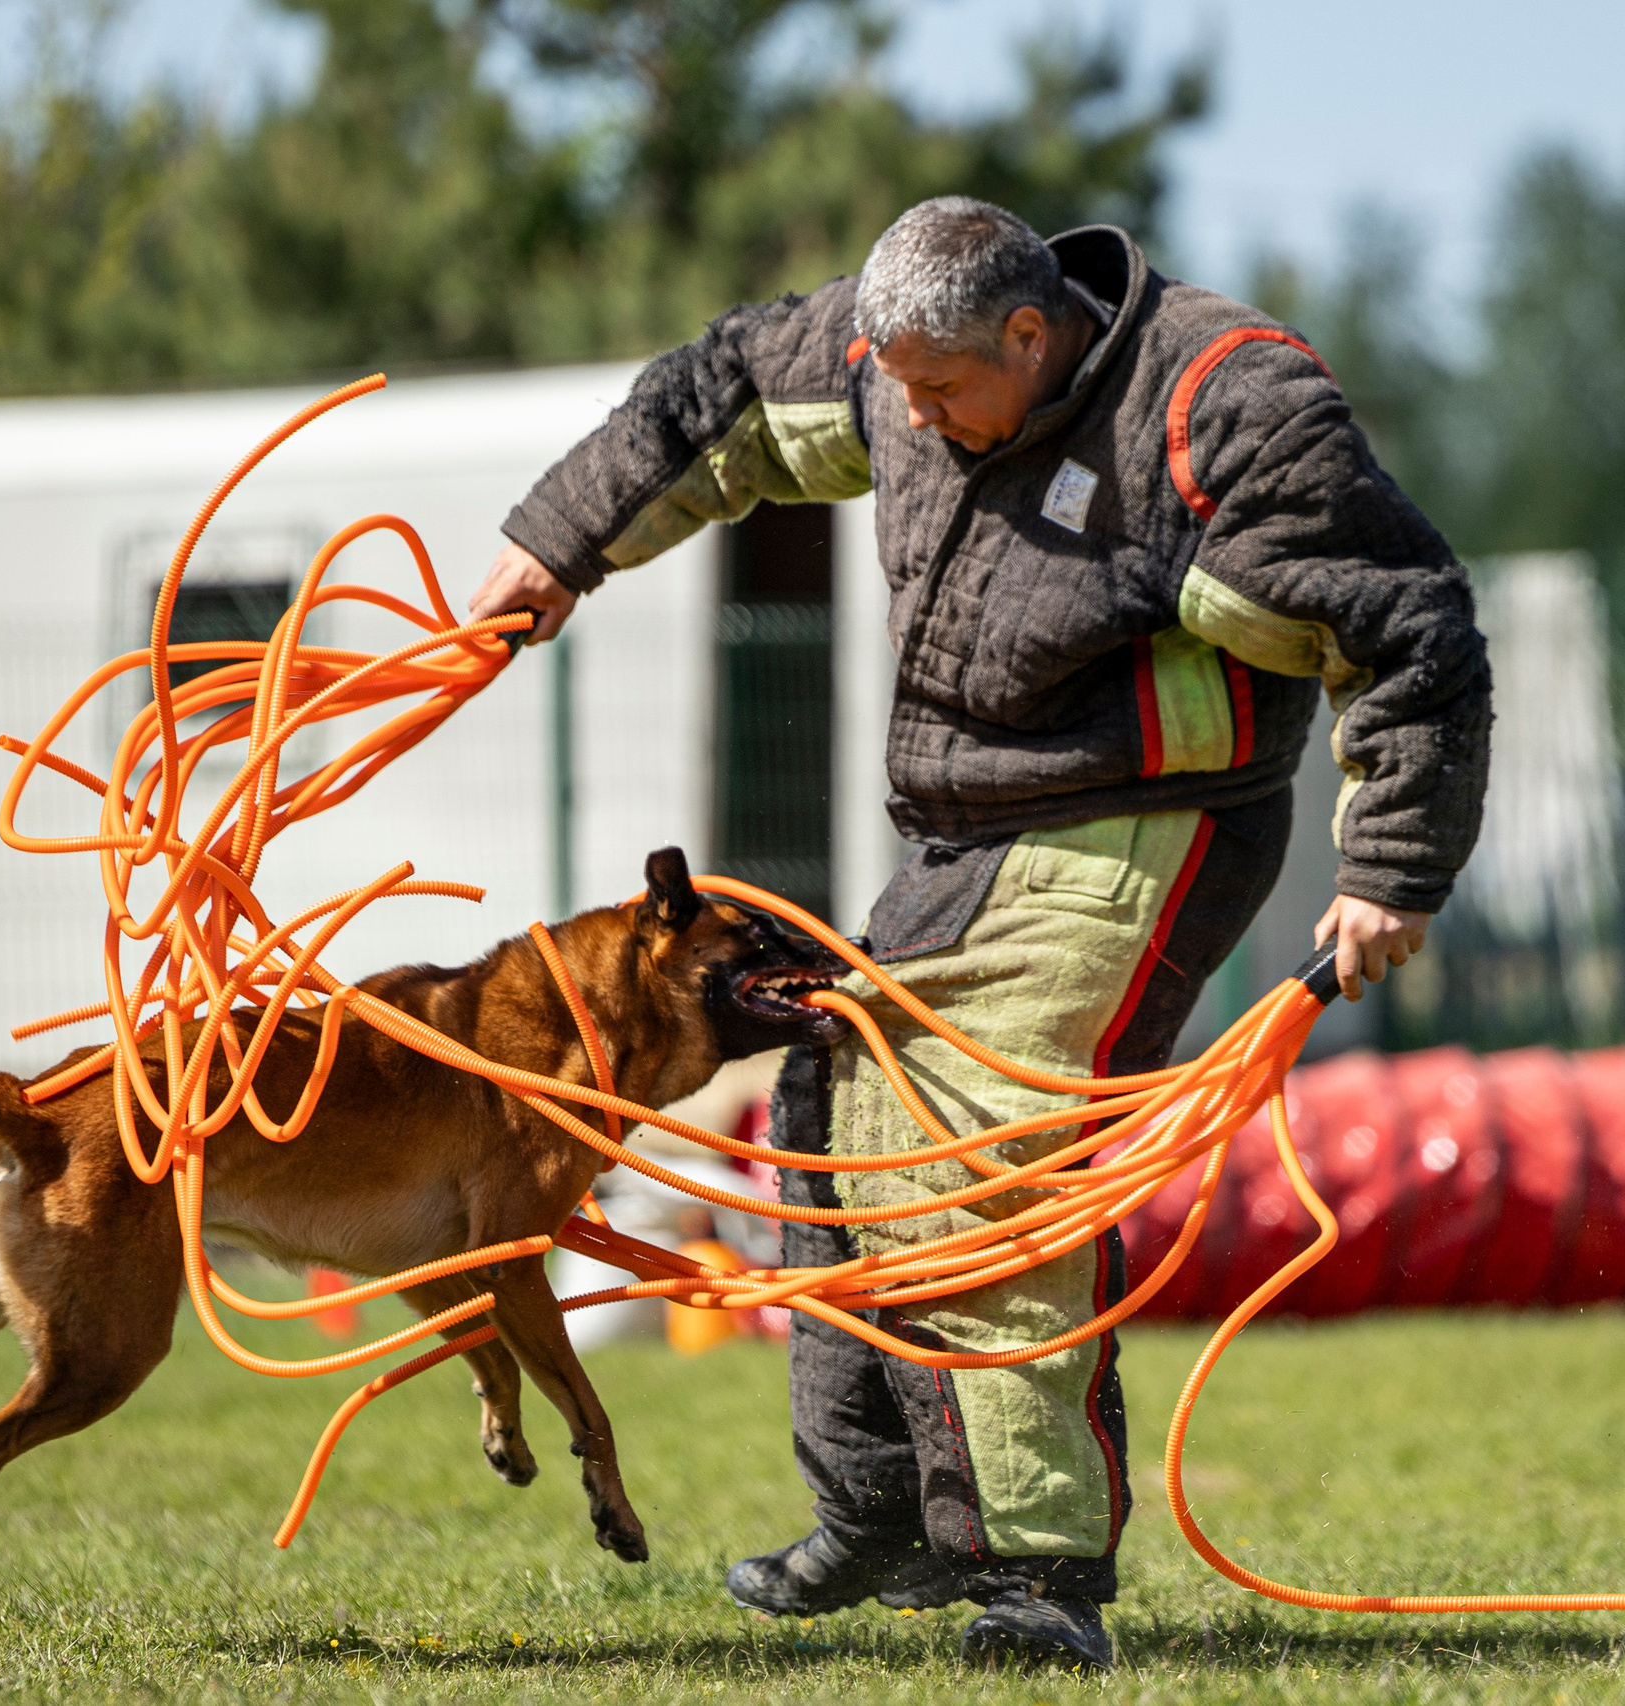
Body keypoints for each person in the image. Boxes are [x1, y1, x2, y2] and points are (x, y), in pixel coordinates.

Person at [470, 197, 1491, 1672]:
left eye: (943, 389)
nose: (913, 419)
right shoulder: (900, 361)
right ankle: (883, 1511)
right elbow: (723, 397)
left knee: (981, 1158)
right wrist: (559, 543)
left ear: (1031, 332)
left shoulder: (1221, 411)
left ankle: (1038, 1571)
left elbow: (1407, 622)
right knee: (829, 1121)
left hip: (1149, 820)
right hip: (963, 839)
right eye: (896, 386)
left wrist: (1392, 861)